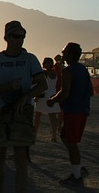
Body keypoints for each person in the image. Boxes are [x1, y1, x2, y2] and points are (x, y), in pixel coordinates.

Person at [0, 20, 47, 193]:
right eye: (16, 36)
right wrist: (8, 87)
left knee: (21, 159)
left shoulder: (30, 59)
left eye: (22, 36)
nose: (20, 40)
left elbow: (42, 84)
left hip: (22, 115)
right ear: (6, 37)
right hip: (1, 114)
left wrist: (26, 96)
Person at [47, 42, 93, 186]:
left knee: (71, 143)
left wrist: (52, 100)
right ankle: (78, 167)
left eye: (65, 52)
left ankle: (77, 175)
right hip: (82, 110)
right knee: (65, 136)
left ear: (71, 54)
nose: (63, 54)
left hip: (73, 111)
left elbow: (64, 92)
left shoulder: (68, 71)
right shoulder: (83, 70)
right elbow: (90, 91)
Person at [34, 57, 61, 142]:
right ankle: (54, 136)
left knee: (38, 116)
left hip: (44, 94)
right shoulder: (55, 73)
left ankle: (35, 134)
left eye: (45, 63)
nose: (43, 64)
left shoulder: (45, 73)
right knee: (52, 116)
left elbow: (41, 85)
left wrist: (36, 96)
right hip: (52, 94)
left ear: (49, 63)